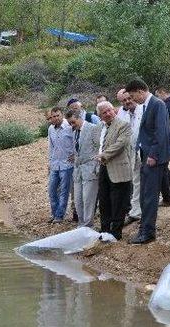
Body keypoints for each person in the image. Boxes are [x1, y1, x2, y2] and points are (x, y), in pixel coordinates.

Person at [126, 79, 170, 244]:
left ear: (140, 91)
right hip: (145, 154)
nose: (133, 100)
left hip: (154, 157)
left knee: (149, 195)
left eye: (133, 96)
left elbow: (161, 132)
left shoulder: (157, 104)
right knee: (145, 194)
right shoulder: (146, 105)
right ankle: (144, 229)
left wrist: (153, 155)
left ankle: (147, 232)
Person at [95, 101, 133, 240]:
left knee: (119, 202)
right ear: (100, 116)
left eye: (109, 110)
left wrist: (103, 155)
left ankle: (116, 233)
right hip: (104, 168)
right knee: (104, 200)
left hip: (119, 169)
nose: (108, 114)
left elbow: (121, 144)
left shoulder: (123, 125)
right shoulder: (102, 127)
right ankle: (104, 230)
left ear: (114, 110)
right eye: (104, 112)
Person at [66, 110, 100, 228]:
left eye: (73, 122)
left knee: (88, 199)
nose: (72, 125)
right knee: (78, 200)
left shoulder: (93, 128)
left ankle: (88, 224)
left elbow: (99, 148)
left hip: (90, 169)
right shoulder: (74, 132)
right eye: (70, 123)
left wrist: (97, 167)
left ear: (79, 118)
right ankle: (81, 224)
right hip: (78, 170)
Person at [116, 89, 143, 225]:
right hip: (131, 152)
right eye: (124, 100)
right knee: (136, 181)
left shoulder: (143, 110)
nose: (127, 102)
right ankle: (136, 212)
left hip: (145, 151)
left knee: (148, 182)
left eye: (129, 98)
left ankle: (145, 212)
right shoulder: (124, 114)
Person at [46, 107, 76, 223]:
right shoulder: (50, 129)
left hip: (67, 165)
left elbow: (76, 141)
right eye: (53, 116)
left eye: (57, 115)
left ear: (62, 115)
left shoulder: (69, 127)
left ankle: (59, 216)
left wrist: (75, 155)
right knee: (52, 190)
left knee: (64, 191)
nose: (55, 118)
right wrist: (50, 162)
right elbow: (51, 146)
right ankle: (54, 213)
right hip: (55, 164)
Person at [154, 87, 170, 207]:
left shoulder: (166, 105)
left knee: (162, 165)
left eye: (158, 95)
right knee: (163, 166)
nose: (158, 98)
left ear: (163, 92)